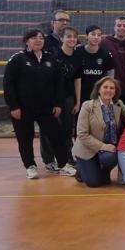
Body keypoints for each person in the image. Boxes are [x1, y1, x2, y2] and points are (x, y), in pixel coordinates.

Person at [2, 28, 76, 179]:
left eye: (41, 38)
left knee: (56, 136)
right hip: (23, 109)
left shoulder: (51, 58)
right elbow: (8, 84)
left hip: (46, 107)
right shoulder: (17, 59)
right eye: (34, 38)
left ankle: (63, 164)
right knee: (25, 138)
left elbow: (59, 83)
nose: (38, 40)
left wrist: (58, 104)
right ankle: (30, 166)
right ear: (27, 41)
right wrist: (13, 106)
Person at [72, 76, 125, 187]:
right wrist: (103, 146)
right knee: (94, 183)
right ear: (98, 89)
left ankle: (103, 171)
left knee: (111, 158)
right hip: (88, 148)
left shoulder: (118, 104)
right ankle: (81, 169)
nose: (108, 90)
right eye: (105, 87)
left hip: (108, 150)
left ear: (116, 91)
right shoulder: (87, 106)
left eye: (112, 88)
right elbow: (82, 134)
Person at [39, 25, 79, 173]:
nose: (72, 39)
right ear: (61, 38)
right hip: (53, 98)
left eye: (74, 37)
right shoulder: (53, 55)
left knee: (67, 130)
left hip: (69, 98)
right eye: (68, 36)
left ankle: (67, 157)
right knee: (49, 129)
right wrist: (52, 100)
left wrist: (78, 101)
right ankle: (48, 159)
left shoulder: (76, 57)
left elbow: (77, 79)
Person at [75, 25, 115, 106]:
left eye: (99, 35)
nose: (96, 37)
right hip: (80, 94)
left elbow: (110, 76)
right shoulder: (78, 52)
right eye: (93, 34)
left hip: (98, 95)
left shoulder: (106, 54)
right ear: (86, 36)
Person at [101, 16, 125, 108]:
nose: (122, 28)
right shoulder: (104, 43)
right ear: (114, 27)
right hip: (110, 89)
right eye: (119, 25)